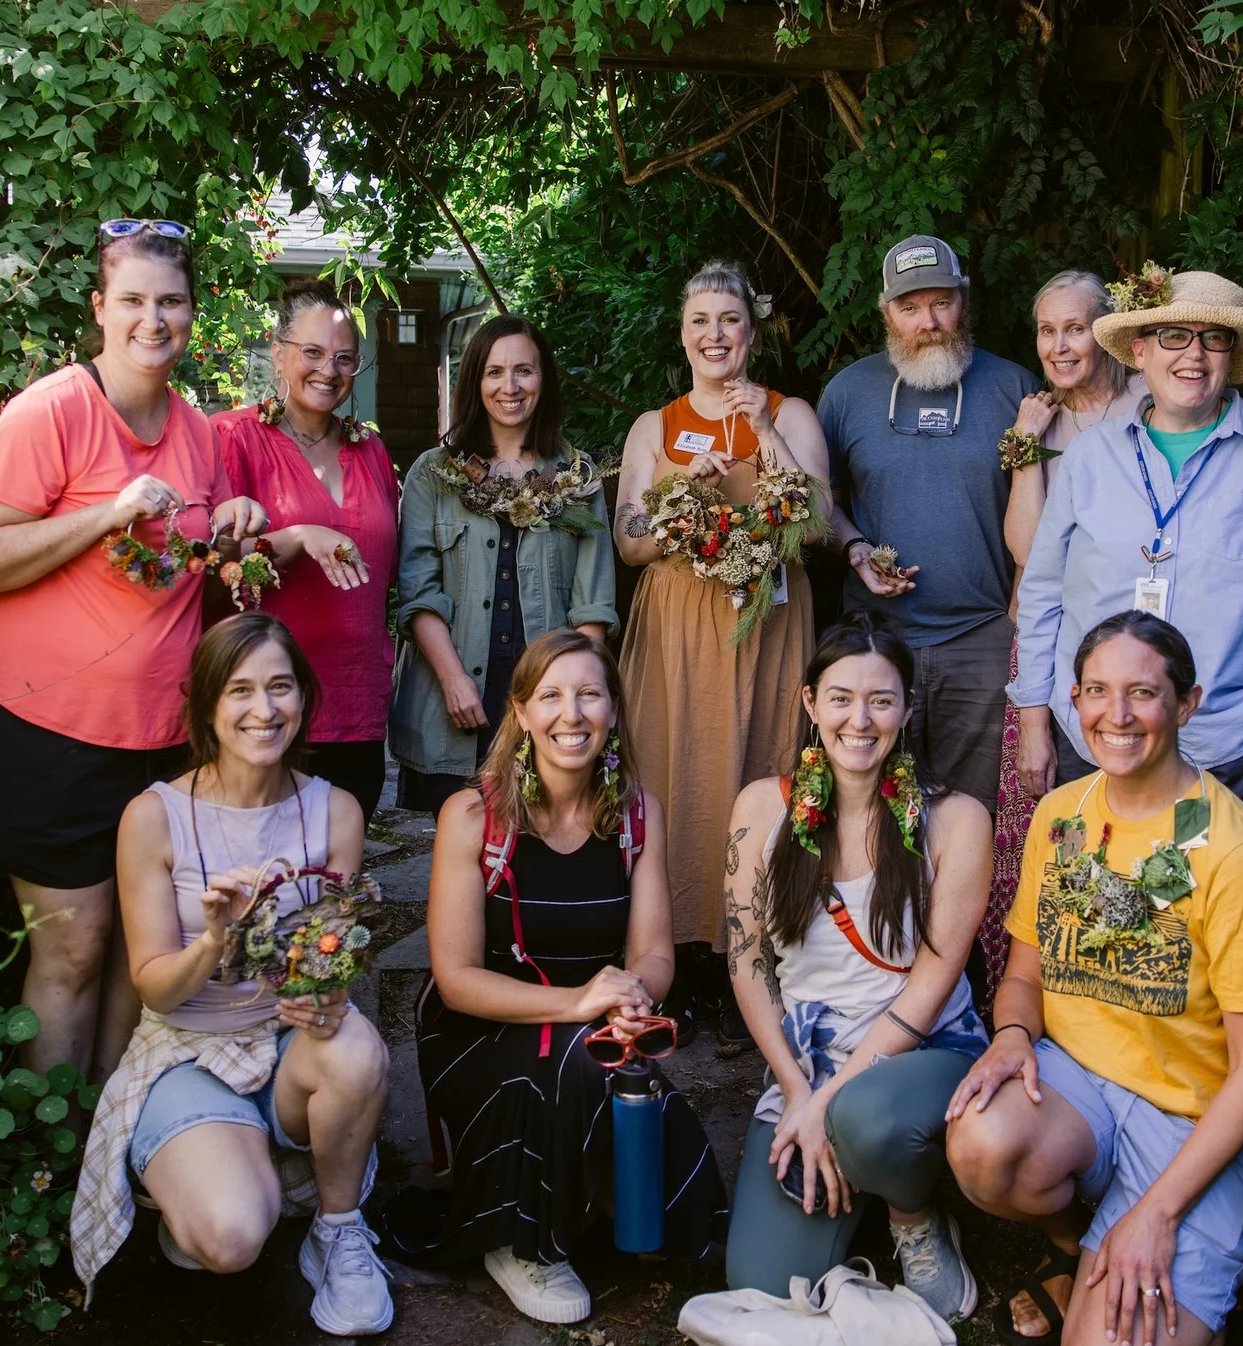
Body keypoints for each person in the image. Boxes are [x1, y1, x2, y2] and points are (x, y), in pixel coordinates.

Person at [946, 611, 1243, 1346]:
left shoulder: (1233, 853)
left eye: (1144, 692)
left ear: (1187, 703)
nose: (1118, 713)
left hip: (1190, 1120)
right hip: (1081, 1090)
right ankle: (1085, 1250)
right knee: (983, 1141)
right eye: (1098, 691)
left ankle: (1167, 1281)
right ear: (1073, 701)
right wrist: (1008, 1036)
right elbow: (1024, 977)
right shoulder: (1063, 817)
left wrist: (1156, 1213)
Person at [0, 218, 264, 1083]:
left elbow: (193, 557)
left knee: (142, 956)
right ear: (99, 308)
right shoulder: (53, 410)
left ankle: (114, 1147)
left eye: (171, 302)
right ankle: (41, 1169)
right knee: (75, 952)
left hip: (160, 744)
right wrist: (104, 513)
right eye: (132, 300)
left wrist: (236, 527)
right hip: (42, 731)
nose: (152, 320)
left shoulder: (200, 433)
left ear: (194, 313)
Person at [70, 614, 394, 1334]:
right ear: (209, 706)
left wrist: (325, 989)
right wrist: (215, 938)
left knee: (356, 1045)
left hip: (282, 1048)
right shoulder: (153, 817)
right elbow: (156, 986)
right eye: (241, 690)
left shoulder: (335, 811)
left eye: (280, 687)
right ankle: (210, 1185)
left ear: (304, 698)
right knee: (230, 1240)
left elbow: (328, 947)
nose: (264, 709)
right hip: (186, 1050)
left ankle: (338, 1231)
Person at [401, 629, 728, 1322]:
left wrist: (633, 998)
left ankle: (591, 1200)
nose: (570, 714)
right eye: (550, 696)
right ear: (520, 711)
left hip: (597, 1029)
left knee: (630, 1108)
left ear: (613, 708)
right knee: (575, 1068)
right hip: (483, 1030)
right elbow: (455, 978)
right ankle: (518, 1240)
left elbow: (656, 956)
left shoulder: (638, 814)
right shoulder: (472, 816)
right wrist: (581, 1001)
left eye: (589, 694)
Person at [1009, 268, 1243, 834]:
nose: (1193, 354)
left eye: (1212, 337)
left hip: (1221, 752)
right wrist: (1032, 721)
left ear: (1231, 354)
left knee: (1206, 915)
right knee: (1086, 908)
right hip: (1091, 742)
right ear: (1141, 350)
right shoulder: (1089, 459)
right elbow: (1044, 592)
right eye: (1175, 335)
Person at [720, 620, 993, 1320]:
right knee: (759, 1285)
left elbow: (932, 984)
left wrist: (827, 1101)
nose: (860, 720)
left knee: (866, 1119)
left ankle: (912, 1217)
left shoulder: (957, 820)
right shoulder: (762, 807)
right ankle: (853, 1177)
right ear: (811, 705)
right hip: (809, 1060)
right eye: (841, 699)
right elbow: (747, 963)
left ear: (907, 710)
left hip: (922, 1051)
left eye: (881, 700)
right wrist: (795, 1087)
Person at [616, 260, 830, 1033]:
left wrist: (764, 434)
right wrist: (681, 500)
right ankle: (675, 958)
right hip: (678, 628)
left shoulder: (791, 412)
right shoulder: (655, 426)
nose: (715, 334)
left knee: (764, 767)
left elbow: (819, 526)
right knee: (676, 774)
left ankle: (759, 957)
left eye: (729, 320)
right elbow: (630, 541)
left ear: (752, 330)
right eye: (700, 321)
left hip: (765, 627)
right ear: (682, 334)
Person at [818, 234, 1039, 805]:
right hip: (876, 641)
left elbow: (1047, 511)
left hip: (984, 639)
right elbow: (821, 502)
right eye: (910, 307)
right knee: (874, 806)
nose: (929, 321)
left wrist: (1019, 617)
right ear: (886, 312)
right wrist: (854, 549)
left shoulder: (1015, 388)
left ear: (964, 301)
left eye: (942, 302)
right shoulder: (846, 393)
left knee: (979, 808)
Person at [983, 273, 1141, 997]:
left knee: (1141, 822)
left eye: (1074, 328)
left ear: (1107, 331)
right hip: (1053, 645)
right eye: (1047, 332)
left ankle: (1142, 981)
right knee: (1062, 826)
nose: (1059, 345)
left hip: (1136, 650)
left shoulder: (1151, 404)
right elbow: (1025, 548)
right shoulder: (1042, 421)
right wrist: (1024, 446)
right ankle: (1054, 991)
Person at [391, 315, 615, 812]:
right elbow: (418, 591)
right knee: (457, 845)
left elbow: (593, 605)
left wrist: (577, 699)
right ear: (475, 380)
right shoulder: (434, 473)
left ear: (544, 379)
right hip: (456, 689)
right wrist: (453, 679)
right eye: (494, 372)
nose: (508, 387)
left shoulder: (576, 476)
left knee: (541, 841)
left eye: (524, 372)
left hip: (548, 696)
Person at [214, 279, 400, 813]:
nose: (329, 370)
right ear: (278, 354)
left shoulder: (370, 451)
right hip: (263, 706)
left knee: (338, 878)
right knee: (264, 879)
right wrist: (293, 539)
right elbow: (210, 570)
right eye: (312, 353)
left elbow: (386, 577)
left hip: (355, 700)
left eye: (345, 358)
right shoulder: (233, 438)